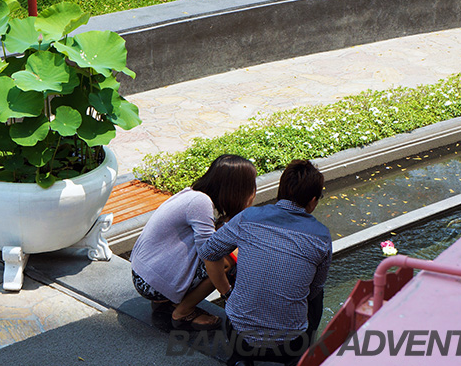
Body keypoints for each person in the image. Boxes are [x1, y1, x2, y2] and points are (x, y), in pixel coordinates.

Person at [200, 159, 332, 366]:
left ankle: (241, 359)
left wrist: (227, 293)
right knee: (318, 292)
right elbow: (314, 290)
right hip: (289, 344)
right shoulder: (322, 236)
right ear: (313, 200)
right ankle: (303, 357)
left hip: (239, 336)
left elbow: (209, 252)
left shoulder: (248, 216)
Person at [130, 154, 257, 331]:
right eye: (251, 186)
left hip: (144, 273)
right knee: (227, 260)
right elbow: (211, 254)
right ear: (237, 189)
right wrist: (228, 293)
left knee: (227, 249)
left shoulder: (195, 195)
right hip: (150, 283)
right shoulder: (201, 203)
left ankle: (172, 301)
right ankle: (183, 311)